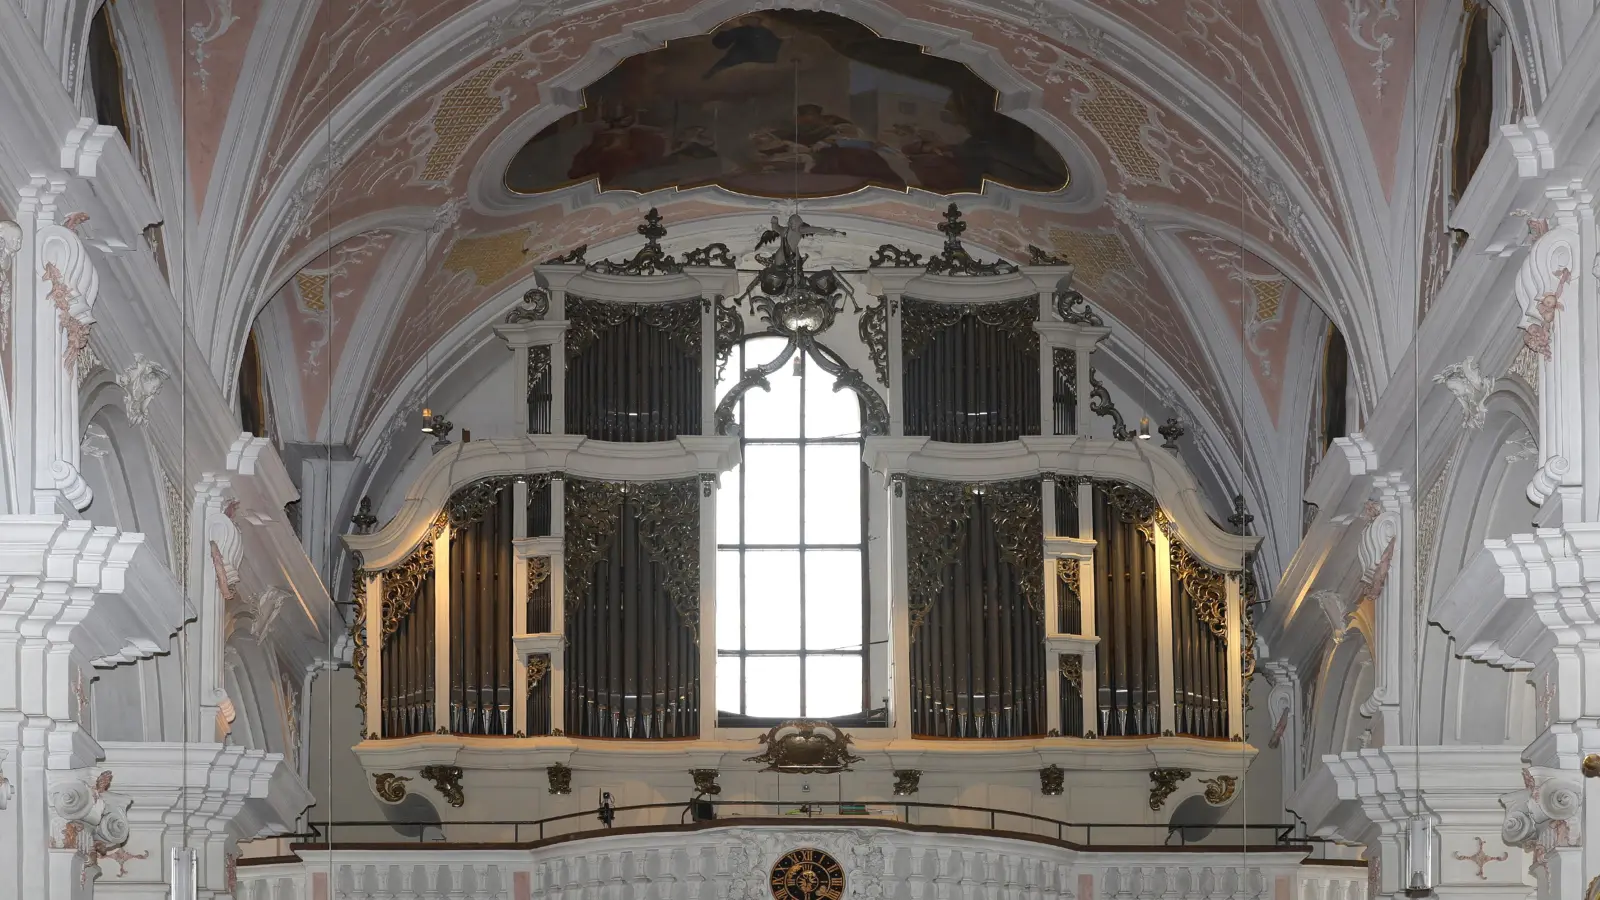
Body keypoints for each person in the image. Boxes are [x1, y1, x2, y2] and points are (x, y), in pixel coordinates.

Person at [704, 15, 782, 79]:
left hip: (766, 61)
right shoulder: (742, 31)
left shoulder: (766, 32)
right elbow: (721, 43)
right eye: (749, 19)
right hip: (757, 61)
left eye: (754, 19)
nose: (752, 21)